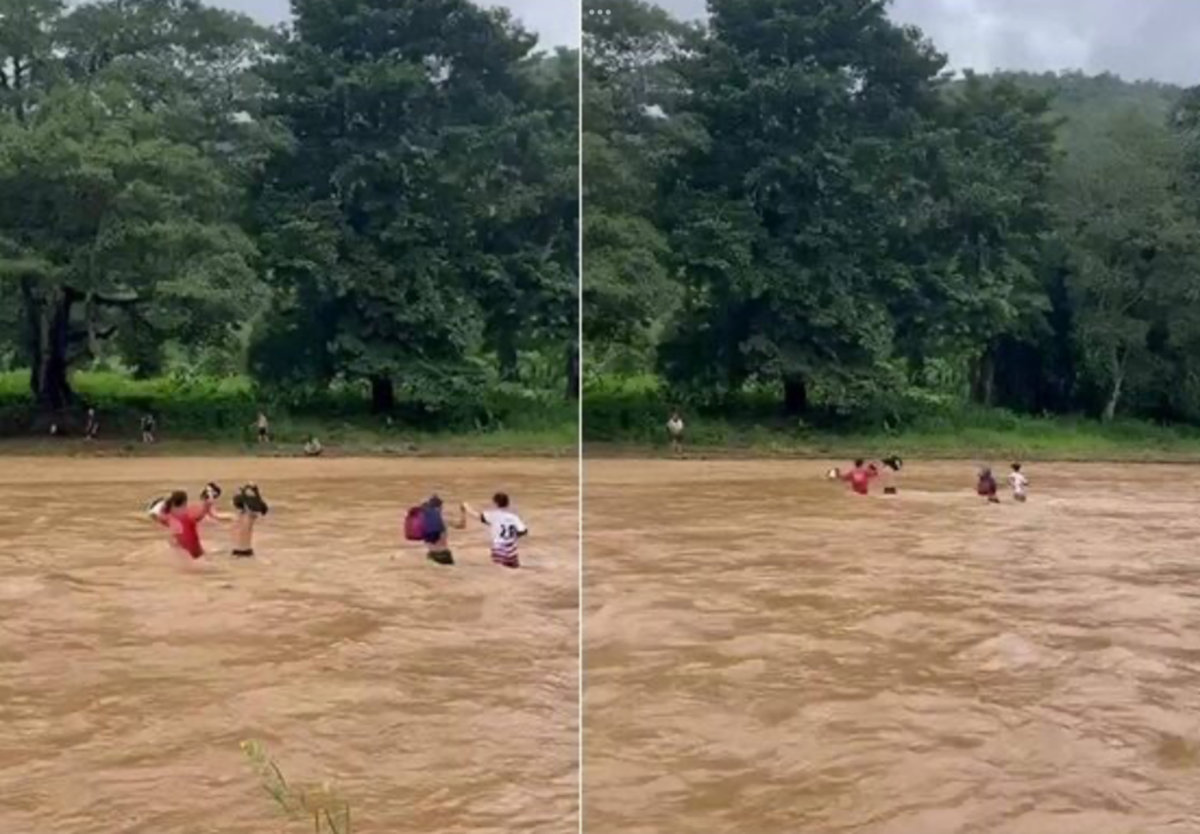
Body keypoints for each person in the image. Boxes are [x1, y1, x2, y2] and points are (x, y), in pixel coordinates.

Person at [465, 492, 529, 569]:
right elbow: (523, 531)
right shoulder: (513, 517)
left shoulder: (492, 515)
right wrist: (512, 537)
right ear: (508, 504)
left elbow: (477, 516)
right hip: (512, 551)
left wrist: (467, 508)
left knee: (499, 571)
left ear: (495, 504)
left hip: (498, 549)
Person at [150, 490, 208, 559]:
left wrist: (162, 507)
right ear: (184, 502)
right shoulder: (190, 515)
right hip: (196, 552)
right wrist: (206, 503)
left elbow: (154, 516)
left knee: (175, 542)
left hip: (182, 552)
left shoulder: (167, 517)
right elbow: (201, 514)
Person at [420, 495, 465, 566]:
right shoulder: (444, 519)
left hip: (432, 554)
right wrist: (463, 512)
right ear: (439, 507)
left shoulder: (423, 520)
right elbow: (461, 525)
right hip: (444, 554)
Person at [231, 483, 269, 557]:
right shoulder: (242, 514)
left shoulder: (251, 514)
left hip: (244, 550)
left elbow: (257, 506)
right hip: (240, 549)